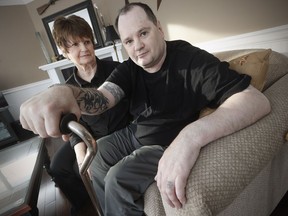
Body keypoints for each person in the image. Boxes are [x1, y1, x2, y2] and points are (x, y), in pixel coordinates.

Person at [20, 3, 271, 216]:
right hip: (133, 134)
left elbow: (255, 101)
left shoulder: (190, 61)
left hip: (162, 143)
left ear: (159, 28)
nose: (137, 45)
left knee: (118, 179)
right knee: (95, 158)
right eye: (129, 40)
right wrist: (66, 92)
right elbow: (102, 97)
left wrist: (190, 136)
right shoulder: (130, 68)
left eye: (143, 33)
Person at [45, 15, 131, 215]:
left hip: (118, 132)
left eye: (86, 41)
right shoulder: (67, 88)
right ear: (65, 53)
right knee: (58, 167)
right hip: (88, 134)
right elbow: (74, 127)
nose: (84, 48)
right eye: (75, 45)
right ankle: (83, 202)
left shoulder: (117, 70)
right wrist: (82, 154)